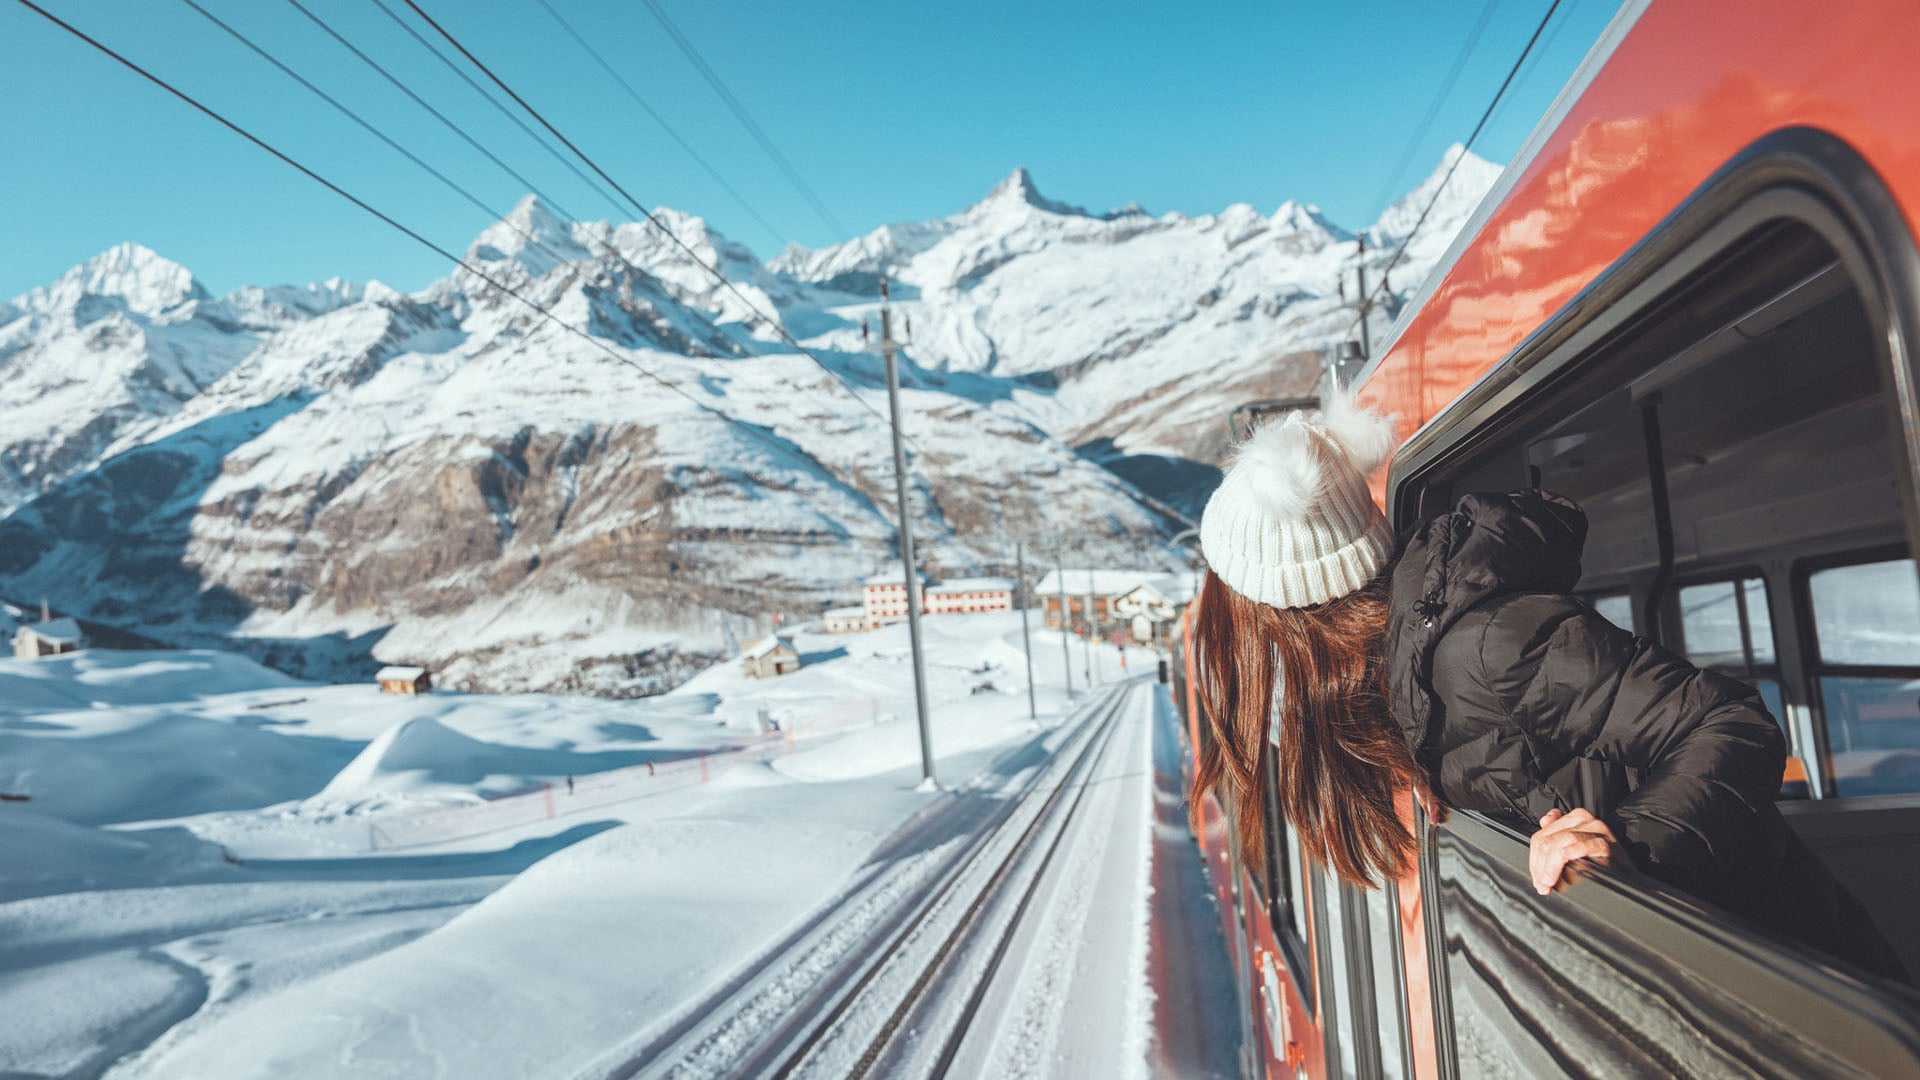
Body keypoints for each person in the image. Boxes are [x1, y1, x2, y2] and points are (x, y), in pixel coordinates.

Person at [1189, 392, 1905, 981]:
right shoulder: (1408, 672)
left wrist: (1625, 850)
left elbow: (1730, 724)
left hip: (1790, 968)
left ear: (1292, 622)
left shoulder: (1484, 646)